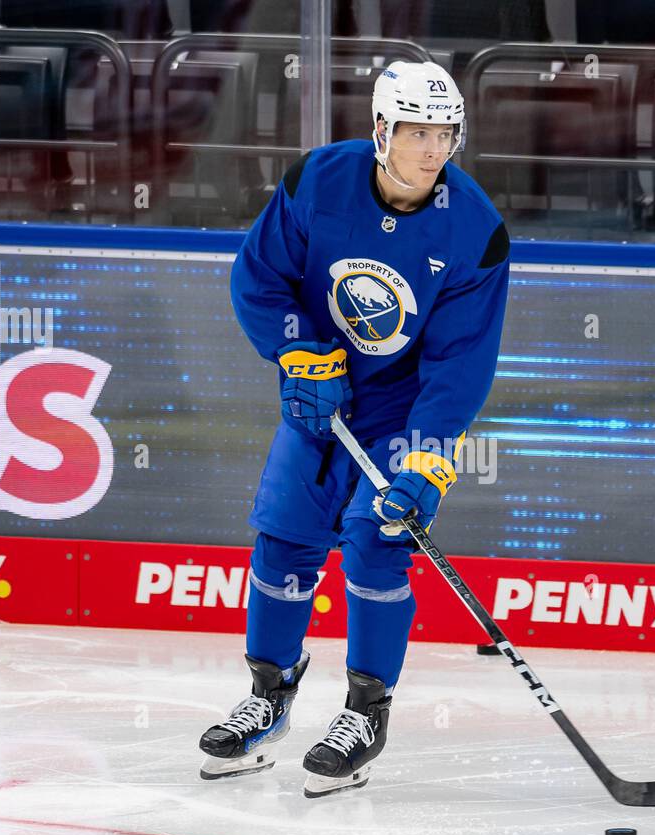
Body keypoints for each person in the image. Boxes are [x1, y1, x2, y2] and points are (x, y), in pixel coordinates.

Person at [198, 60, 510, 797]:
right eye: (417, 131)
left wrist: (428, 459)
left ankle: (366, 712)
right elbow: (259, 277)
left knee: (376, 543)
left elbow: (460, 362)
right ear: (381, 129)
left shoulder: (475, 230)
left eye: (446, 133)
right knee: (284, 537)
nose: (433, 149)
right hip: (320, 396)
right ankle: (268, 696)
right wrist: (299, 352)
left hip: (401, 411)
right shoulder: (318, 181)